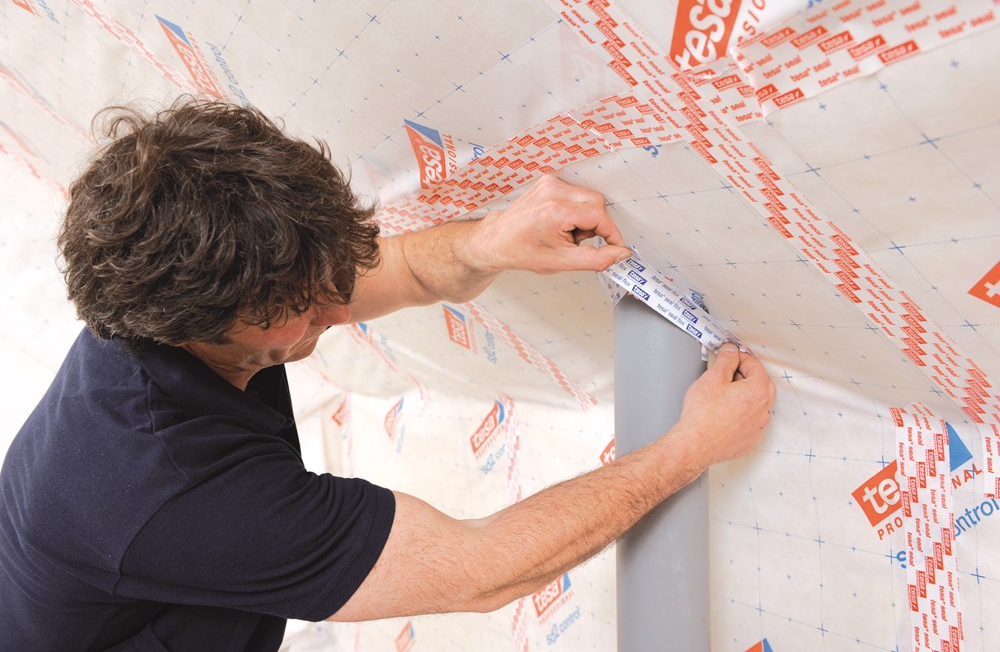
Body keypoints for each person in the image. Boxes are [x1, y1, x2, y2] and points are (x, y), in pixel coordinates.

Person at [0, 98, 775, 651]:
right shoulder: (180, 493)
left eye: (328, 276)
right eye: (307, 308)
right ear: (194, 330)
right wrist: (688, 448)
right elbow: (482, 572)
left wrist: (489, 241)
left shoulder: (166, 285)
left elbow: (383, 273)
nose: (341, 311)